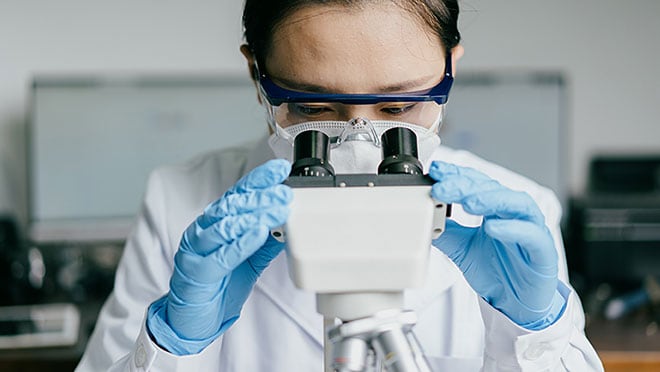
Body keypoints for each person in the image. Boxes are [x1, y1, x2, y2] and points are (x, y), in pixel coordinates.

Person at [76, 1, 604, 371]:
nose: (359, 145)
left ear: (449, 67)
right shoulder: (179, 202)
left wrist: (533, 334)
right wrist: (176, 345)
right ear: (256, 75)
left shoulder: (517, 214)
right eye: (311, 107)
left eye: (397, 108)